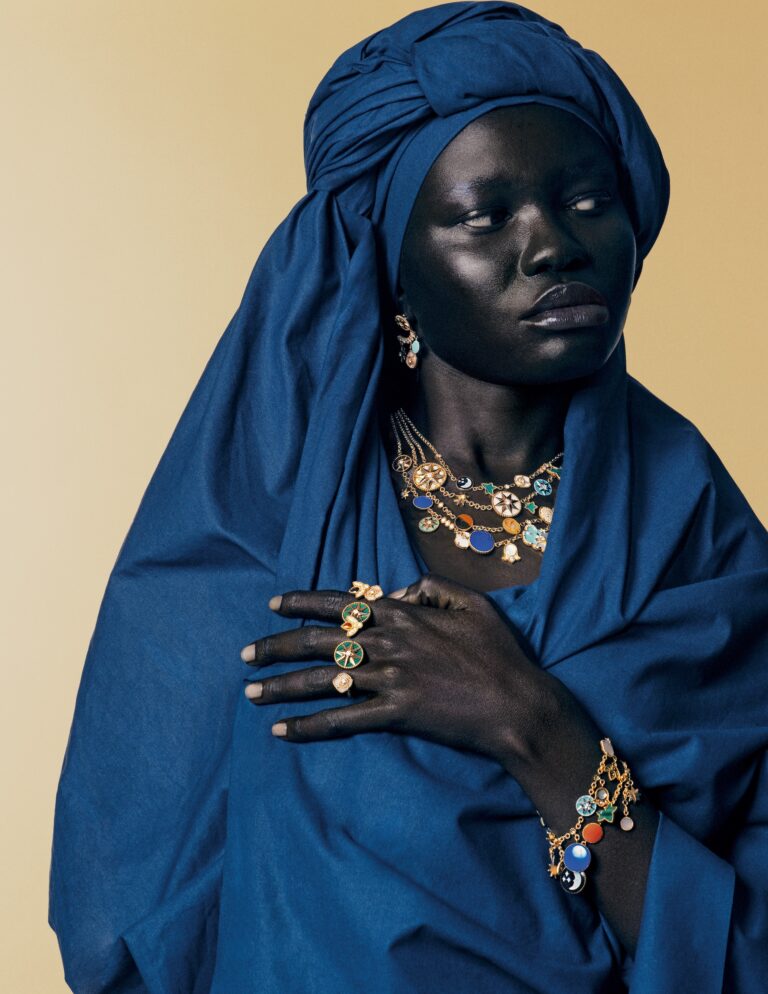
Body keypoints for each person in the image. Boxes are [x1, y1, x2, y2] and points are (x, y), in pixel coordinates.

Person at [49, 3, 768, 993]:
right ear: (394, 267)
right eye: (486, 216)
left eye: (587, 201)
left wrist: (534, 725)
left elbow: (748, 947)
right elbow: (135, 895)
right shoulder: (269, 518)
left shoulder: (698, 535)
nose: (553, 245)